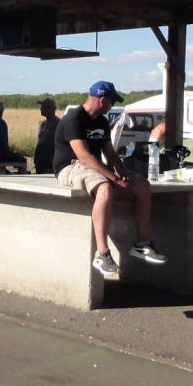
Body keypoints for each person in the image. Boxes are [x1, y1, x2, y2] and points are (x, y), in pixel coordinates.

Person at [53, 81, 166, 275]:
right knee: (104, 188)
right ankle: (102, 253)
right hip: (70, 166)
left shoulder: (102, 122)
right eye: (112, 102)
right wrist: (114, 179)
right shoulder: (73, 119)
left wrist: (122, 173)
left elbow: (110, 154)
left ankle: (142, 244)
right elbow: (83, 156)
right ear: (102, 100)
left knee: (142, 185)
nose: (112, 106)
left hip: (94, 166)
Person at [33, 97, 60, 174]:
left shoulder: (58, 124)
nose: (40, 109)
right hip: (40, 162)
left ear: (50, 109)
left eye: (43, 106)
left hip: (50, 164)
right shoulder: (43, 124)